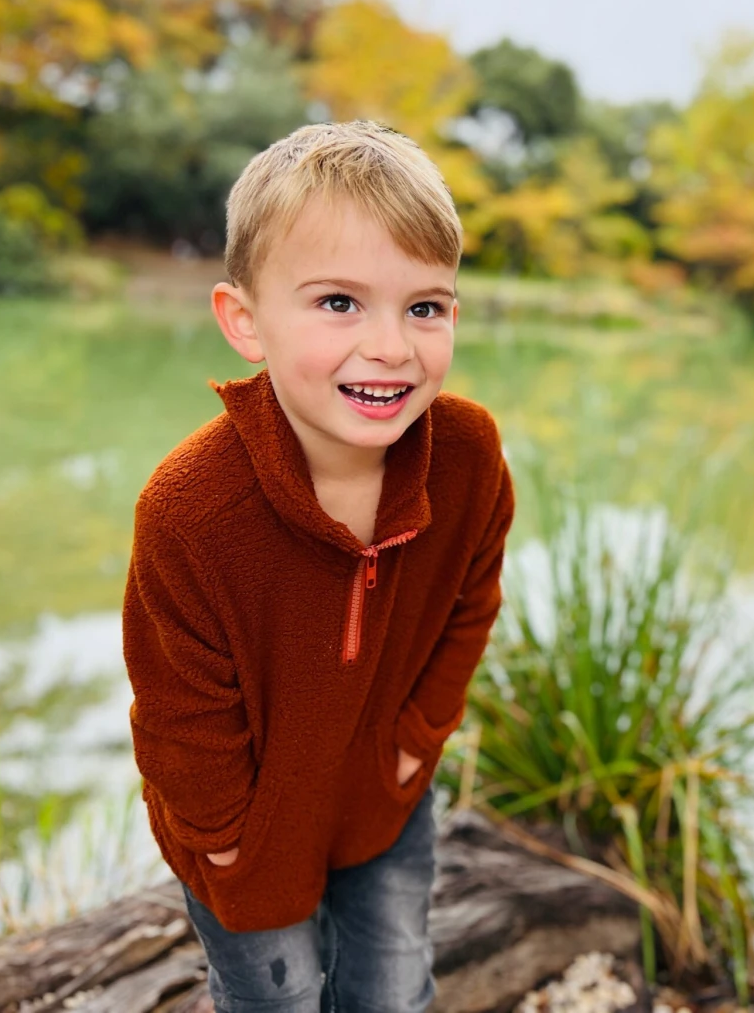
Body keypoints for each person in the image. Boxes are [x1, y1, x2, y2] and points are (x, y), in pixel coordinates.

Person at [122, 120, 515, 1012]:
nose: (391, 345)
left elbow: (473, 601)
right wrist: (225, 839)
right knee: (280, 995)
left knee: (393, 983)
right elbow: (177, 707)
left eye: (425, 307)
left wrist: (418, 739)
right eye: (339, 302)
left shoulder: (467, 455)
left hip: (384, 789)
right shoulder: (189, 510)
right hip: (250, 828)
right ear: (245, 320)